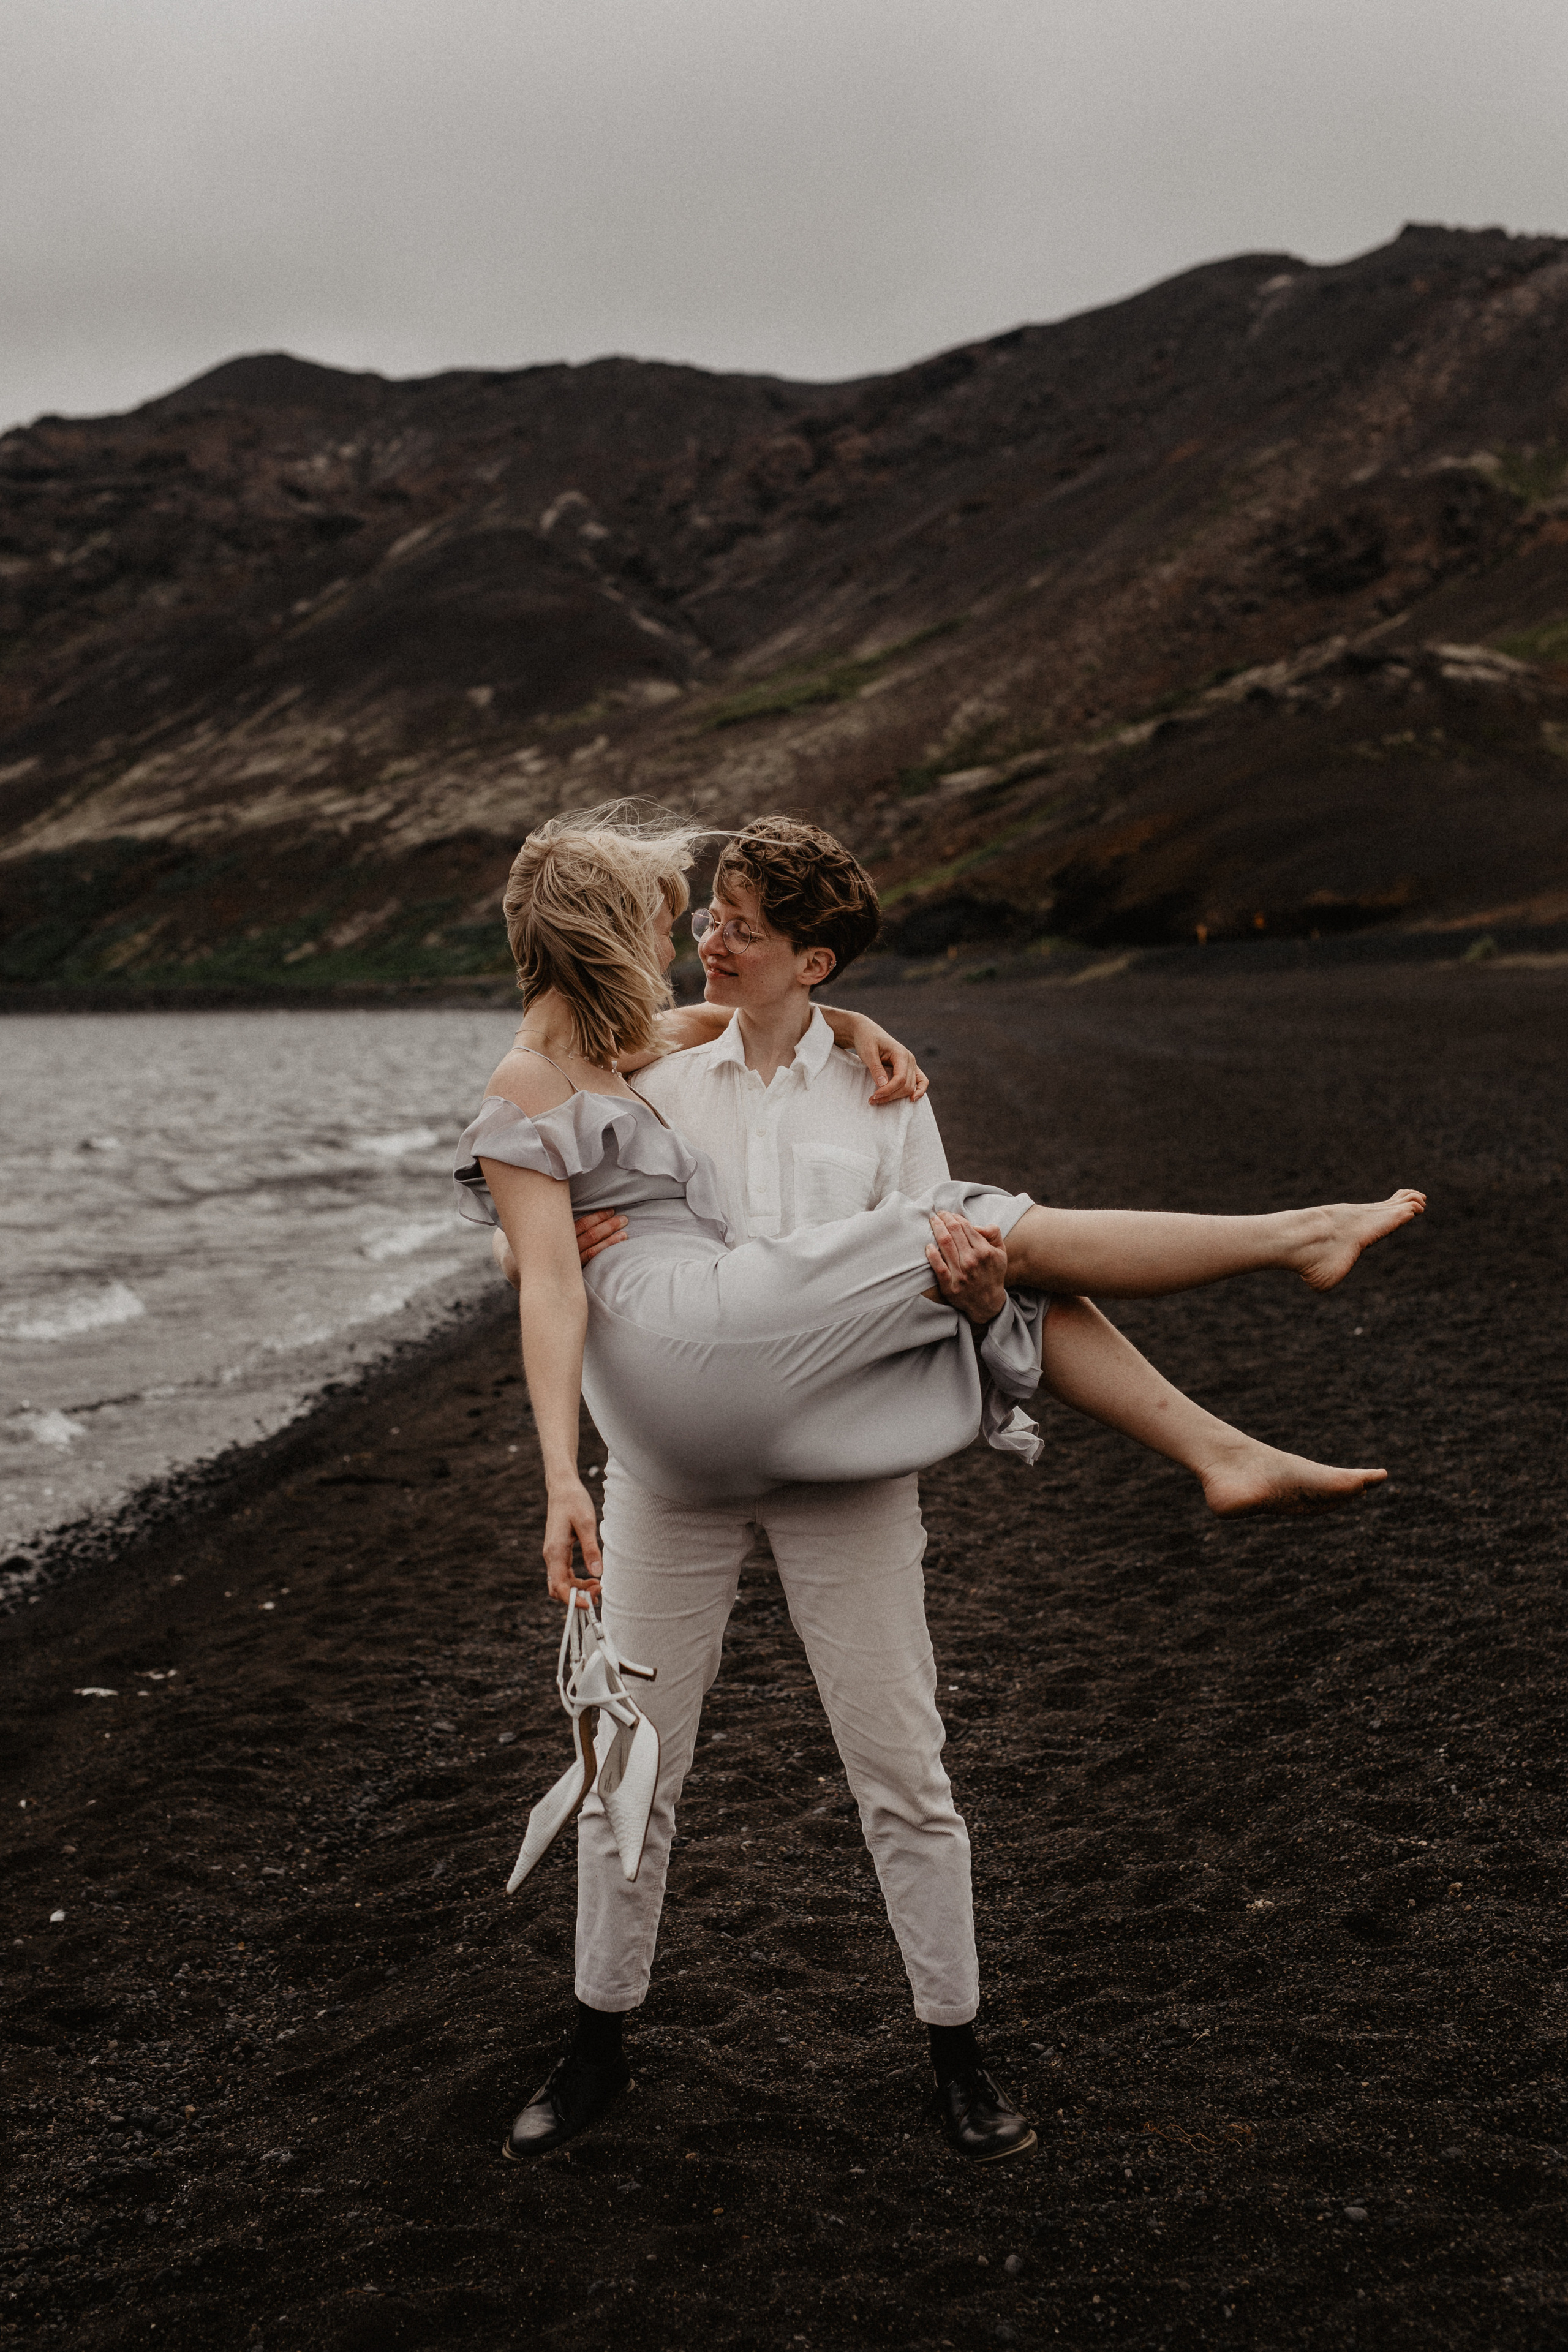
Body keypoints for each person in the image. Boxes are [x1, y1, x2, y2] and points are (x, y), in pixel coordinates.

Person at [456, 808, 1423, 2163]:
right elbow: (542, 1241)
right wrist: (554, 1437)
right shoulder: (655, 1064)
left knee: (902, 1766)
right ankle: (596, 2037)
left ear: (818, 963)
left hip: (837, 1453)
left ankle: (956, 2050)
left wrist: (872, 1076)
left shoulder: (876, 1083)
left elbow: (961, 1280)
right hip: (675, 1467)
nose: (704, 941)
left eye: (738, 927)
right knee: (629, 1766)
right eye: (696, 920)